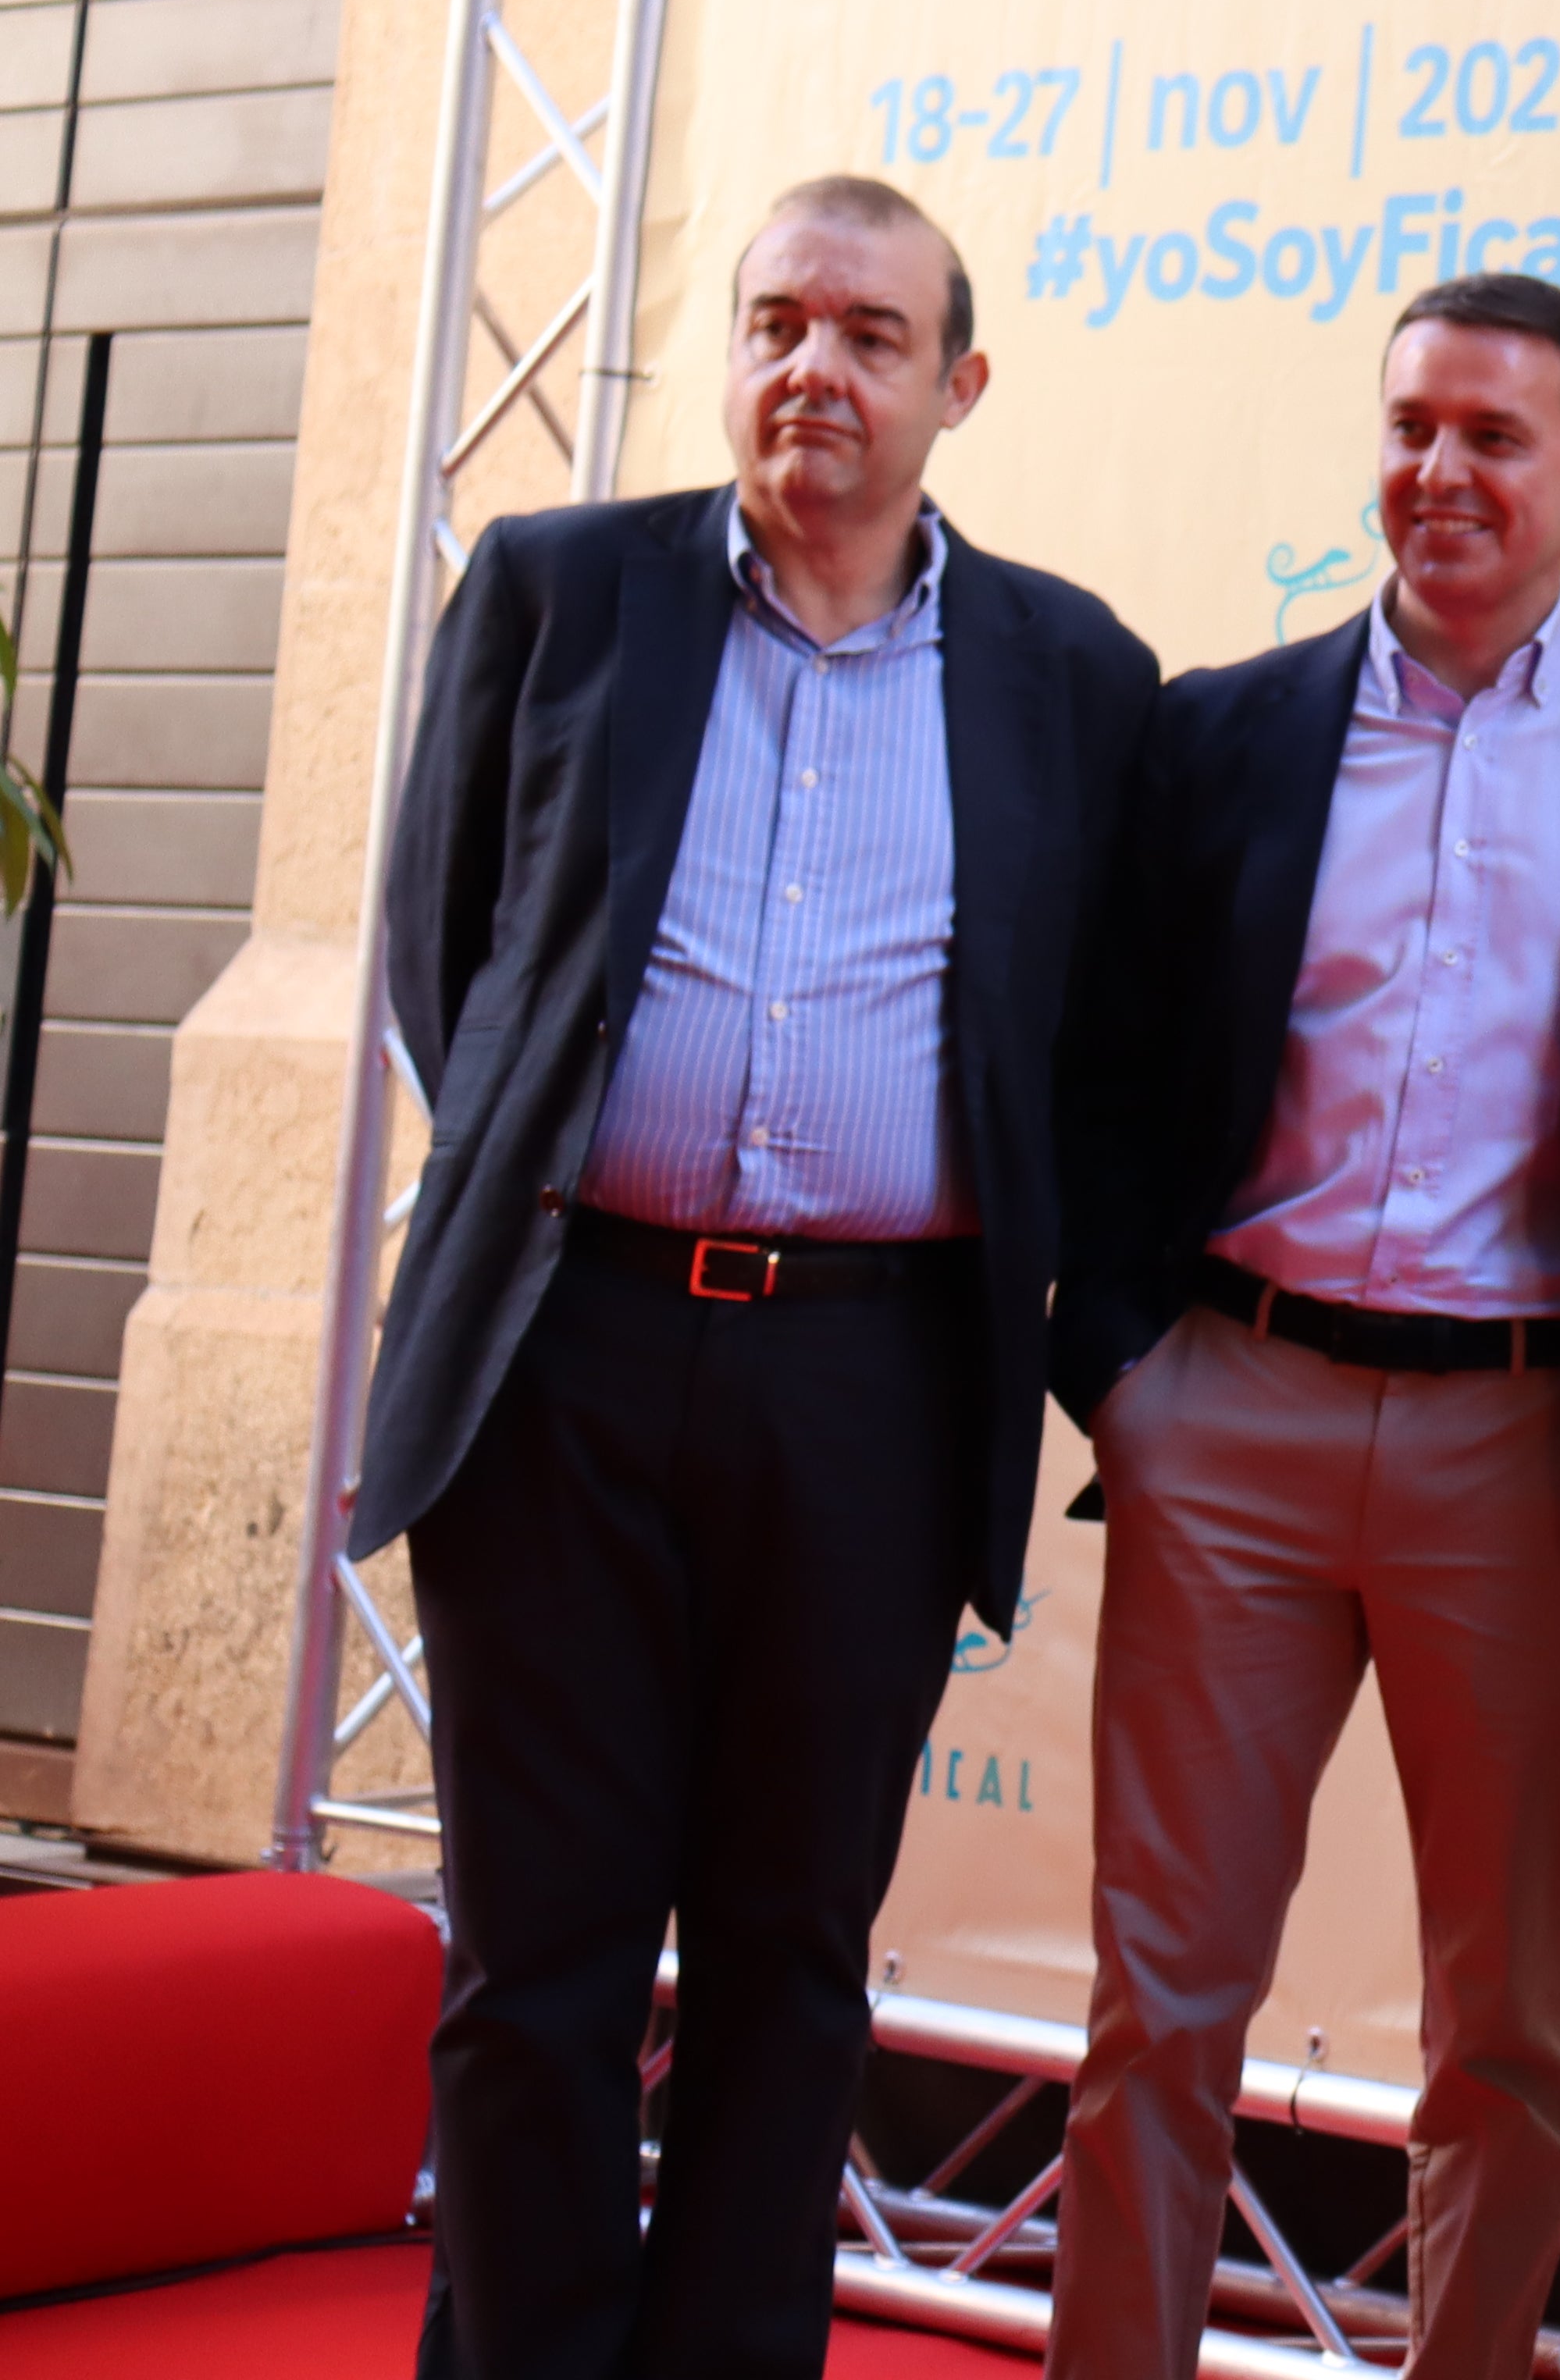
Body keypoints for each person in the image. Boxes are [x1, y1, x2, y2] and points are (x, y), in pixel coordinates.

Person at [368, 176, 1156, 2380]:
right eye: (778, 321)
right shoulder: (558, 592)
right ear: (730, 353)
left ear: (958, 385)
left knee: (796, 1956)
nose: (817, 366)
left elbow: (1082, 1043)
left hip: (877, 1387)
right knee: (538, 1963)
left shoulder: (1071, 675)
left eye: (872, 334)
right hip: (570, 1355)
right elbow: (466, 970)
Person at [1042, 272, 1560, 2380]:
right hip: (1231, 1424)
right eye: (1412, 429)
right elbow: (1092, 1065)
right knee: (1159, 2005)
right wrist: (1123, 1368)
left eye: (1497, 437)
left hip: (1530, 1455)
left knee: (1508, 2031)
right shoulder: (1221, 727)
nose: (1441, 472)